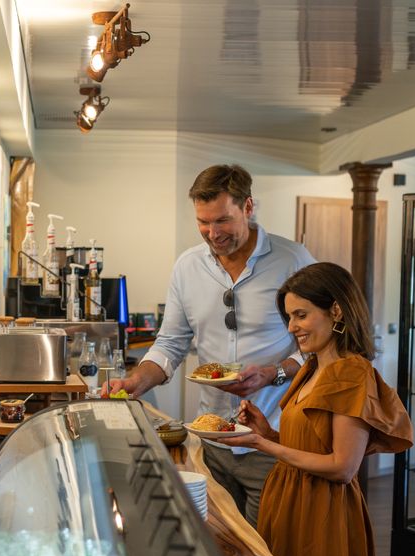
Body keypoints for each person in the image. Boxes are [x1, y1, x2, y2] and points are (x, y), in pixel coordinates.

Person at [105, 164, 315, 528]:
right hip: (210, 445)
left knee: (266, 549)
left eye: (222, 221)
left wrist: (273, 374)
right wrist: (136, 381)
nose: (213, 233)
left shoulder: (293, 260)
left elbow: (317, 345)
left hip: (273, 441)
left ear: (248, 207)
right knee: (219, 545)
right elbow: (170, 343)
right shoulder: (187, 267)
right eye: (203, 222)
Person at [222, 262, 413, 556]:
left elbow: (342, 467)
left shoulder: (350, 373)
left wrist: (264, 446)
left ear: (336, 310)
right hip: (289, 500)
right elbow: (312, 445)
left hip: (322, 512)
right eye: (289, 317)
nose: (291, 327)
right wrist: (267, 433)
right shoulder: (312, 368)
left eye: (301, 315)